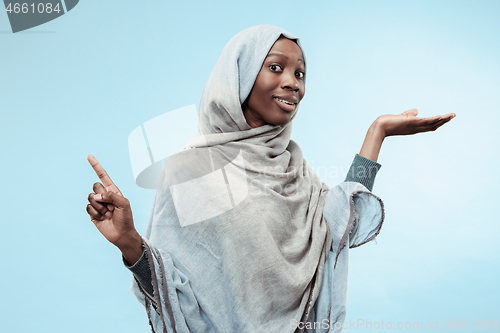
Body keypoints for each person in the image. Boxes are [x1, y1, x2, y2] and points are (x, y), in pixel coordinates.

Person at [86, 25, 455, 333]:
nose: (293, 83)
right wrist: (130, 243)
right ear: (240, 76)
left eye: (299, 74)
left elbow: (342, 225)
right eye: (276, 68)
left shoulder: (295, 168)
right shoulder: (189, 170)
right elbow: (175, 288)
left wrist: (378, 132)